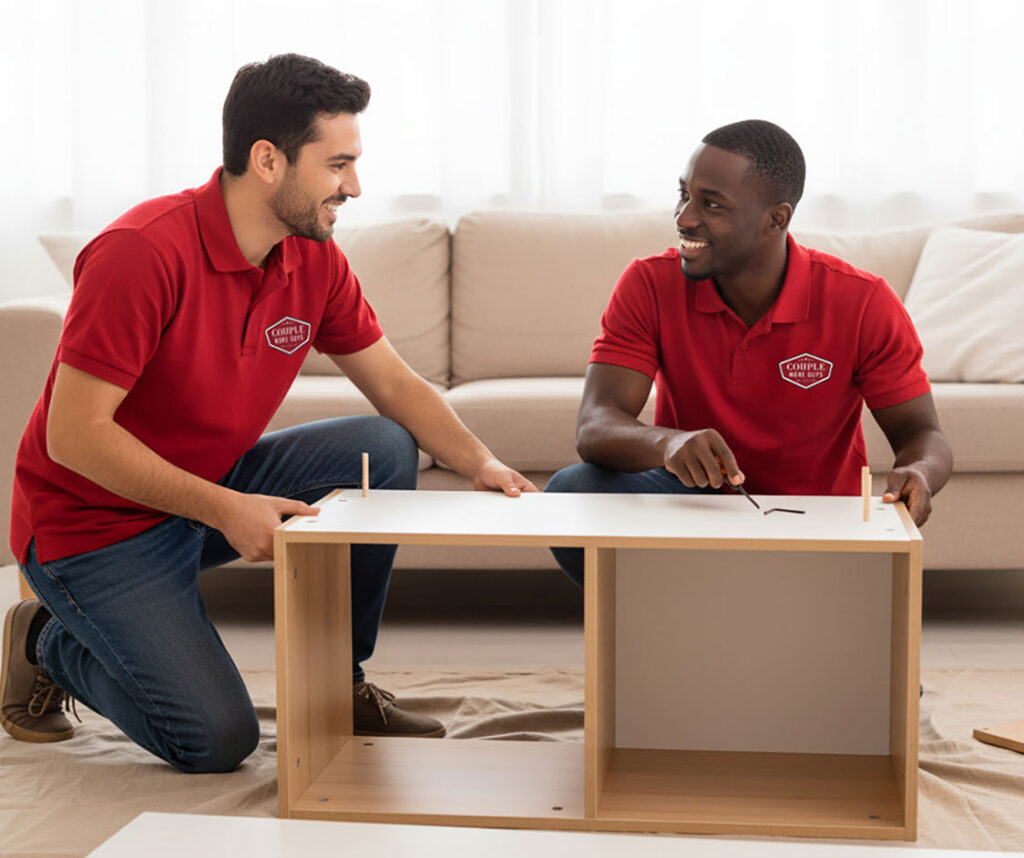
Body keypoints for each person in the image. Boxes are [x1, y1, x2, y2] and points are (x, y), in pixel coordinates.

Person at [0, 53, 536, 771]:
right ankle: (48, 640)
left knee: (380, 444)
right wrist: (224, 507)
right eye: (338, 163)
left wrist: (485, 463)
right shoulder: (140, 254)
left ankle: (335, 683)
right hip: (91, 530)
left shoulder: (312, 257)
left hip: (201, 491)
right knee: (216, 740)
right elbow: (73, 437)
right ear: (267, 160)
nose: (354, 186)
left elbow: (396, 387)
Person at [545, 119, 952, 585]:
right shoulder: (648, 283)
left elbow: (922, 433)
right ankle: (667, 624)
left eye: (711, 204)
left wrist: (919, 473)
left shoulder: (862, 301)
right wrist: (668, 442)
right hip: (689, 510)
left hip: (816, 520)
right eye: (684, 195)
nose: (683, 217)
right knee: (572, 490)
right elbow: (596, 424)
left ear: (776, 219)